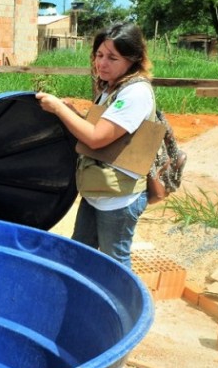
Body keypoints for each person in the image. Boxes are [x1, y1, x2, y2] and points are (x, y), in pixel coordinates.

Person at [36, 22, 156, 268]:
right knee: (80, 254)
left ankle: (125, 307)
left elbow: (96, 138)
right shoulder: (112, 88)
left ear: (133, 59)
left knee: (115, 264)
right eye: (99, 55)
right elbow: (102, 132)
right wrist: (73, 114)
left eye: (112, 57)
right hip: (98, 191)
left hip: (119, 198)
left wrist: (59, 109)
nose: (102, 63)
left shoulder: (135, 93)